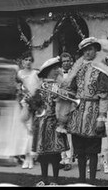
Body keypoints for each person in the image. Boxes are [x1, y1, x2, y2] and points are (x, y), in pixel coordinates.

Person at [63, 37, 108, 183]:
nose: (87, 52)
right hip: (78, 113)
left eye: (90, 49)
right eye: (85, 50)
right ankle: (81, 180)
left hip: (94, 113)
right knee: (79, 151)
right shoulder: (77, 68)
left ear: (95, 50)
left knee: (92, 150)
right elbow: (72, 90)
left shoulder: (101, 69)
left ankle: (92, 180)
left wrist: (101, 118)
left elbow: (104, 96)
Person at [29, 57, 70, 186]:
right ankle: (43, 178)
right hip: (42, 123)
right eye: (54, 69)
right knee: (43, 154)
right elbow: (33, 103)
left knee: (56, 153)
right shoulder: (40, 87)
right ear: (48, 71)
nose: (57, 71)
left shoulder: (59, 87)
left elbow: (64, 105)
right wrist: (35, 106)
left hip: (55, 123)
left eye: (57, 68)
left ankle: (55, 179)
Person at [0, 55, 41, 169]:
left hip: (32, 105)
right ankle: (24, 157)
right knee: (22, 132)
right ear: (22, 61)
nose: (27, 62)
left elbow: (38, 89)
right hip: (21, 105)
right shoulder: (19, 75)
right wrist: (20, 98)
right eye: (25, 60)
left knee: (31, 131)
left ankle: (30, 158)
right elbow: (15, 89)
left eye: (29, 60)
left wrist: (34, 101)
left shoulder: (35, 73)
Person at [58, 52, 75, 171]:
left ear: (71, 61)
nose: (66, 63)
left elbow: (77, 89)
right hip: (59, 105)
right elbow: (53, 87)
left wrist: (69, 94)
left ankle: (69, 159)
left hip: (70, 105)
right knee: (60, 133)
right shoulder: (57, 74)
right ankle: (62, 158)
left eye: (68, 61)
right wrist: (59, 94)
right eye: (63, 61)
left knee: (68, 134)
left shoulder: (74, 74)